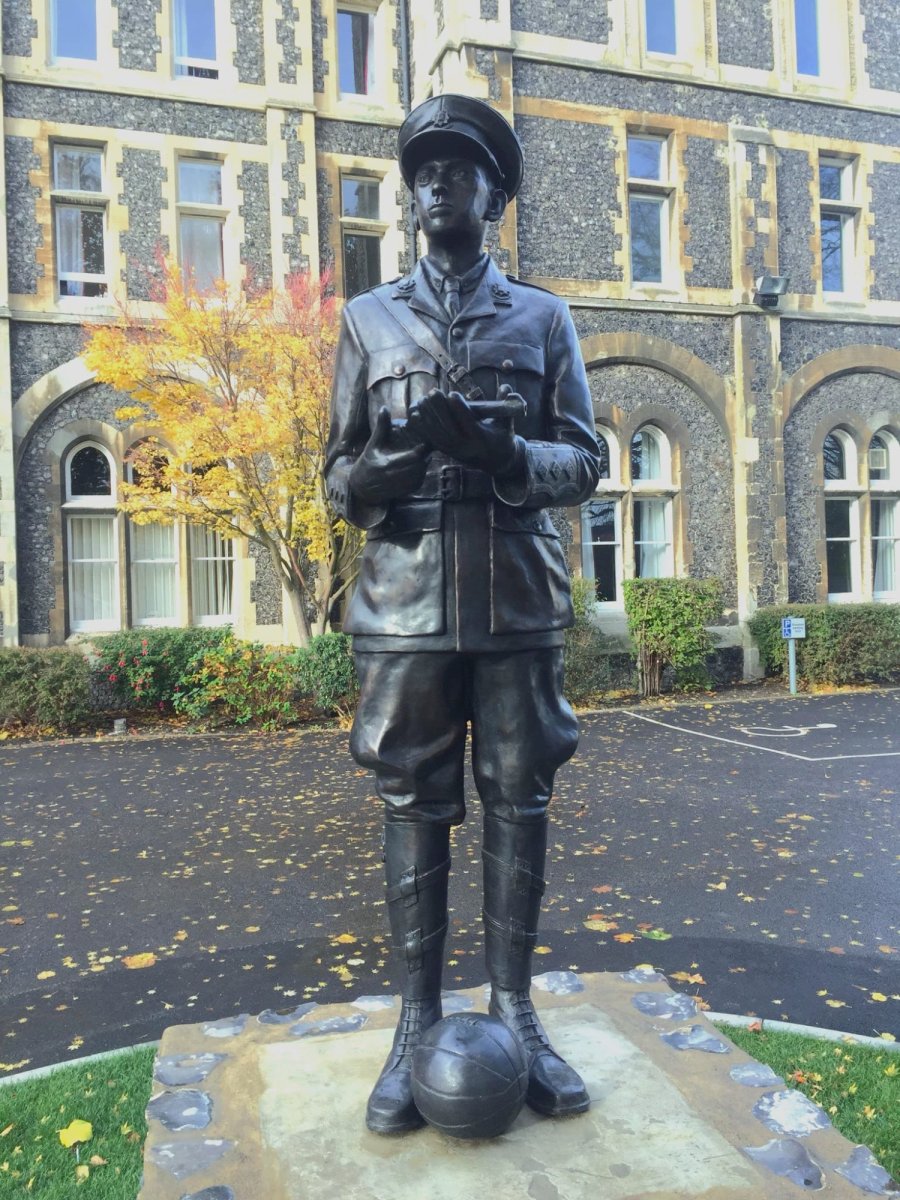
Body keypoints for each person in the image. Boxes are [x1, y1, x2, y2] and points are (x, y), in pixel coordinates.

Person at [325, 93, 601, 1134]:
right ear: (412, 196)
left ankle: (518, 1012)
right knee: (414, 804)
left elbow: (584, 458)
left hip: (516, 599)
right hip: (403, 605)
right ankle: (415, 1022)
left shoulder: (542, 318)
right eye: (425, 170)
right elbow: (334, 481)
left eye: (460, 169)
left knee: (519, 799)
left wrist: (507, 454)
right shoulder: (367, 320)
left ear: (494, 195)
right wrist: (391, 462)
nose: (439, 182)